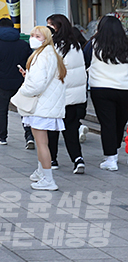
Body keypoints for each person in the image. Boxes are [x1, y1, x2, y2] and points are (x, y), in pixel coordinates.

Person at [17, 25, 67, 191]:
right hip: (48, 105)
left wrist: (23, 89)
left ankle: (48, 179)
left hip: (41, 106)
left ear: (46, 38)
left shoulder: (41, 56)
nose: (33, 38)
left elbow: (37, 85)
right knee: (43, 142)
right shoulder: (51, 54)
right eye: (32, 35)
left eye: (37, 36)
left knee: (41, 144)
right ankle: (41, 172)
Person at [45, 14, 88, 173]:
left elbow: (50, 71)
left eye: (50, 25)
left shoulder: (54, 47)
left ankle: (53, 159)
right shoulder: (76, 45)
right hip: (74, 97)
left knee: (52, 129)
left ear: (56, 27)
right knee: (70, 129)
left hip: (58, 95)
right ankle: (78, 159)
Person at [0, 17, 34, 147]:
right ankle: (29, 136)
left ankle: (2, 136)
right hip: (21, 82)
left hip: (2, 83)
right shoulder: (24, 44)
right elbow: (31, 63)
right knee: (24, 109)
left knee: (2, 110)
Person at [87, 15, 128, 171]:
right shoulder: (126, 44)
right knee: (120, 121)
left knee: (107, 123)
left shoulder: (93, 44)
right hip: (125, 89)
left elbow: (85, 61)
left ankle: (111, 158)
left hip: (101, 89)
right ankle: (114, 150)